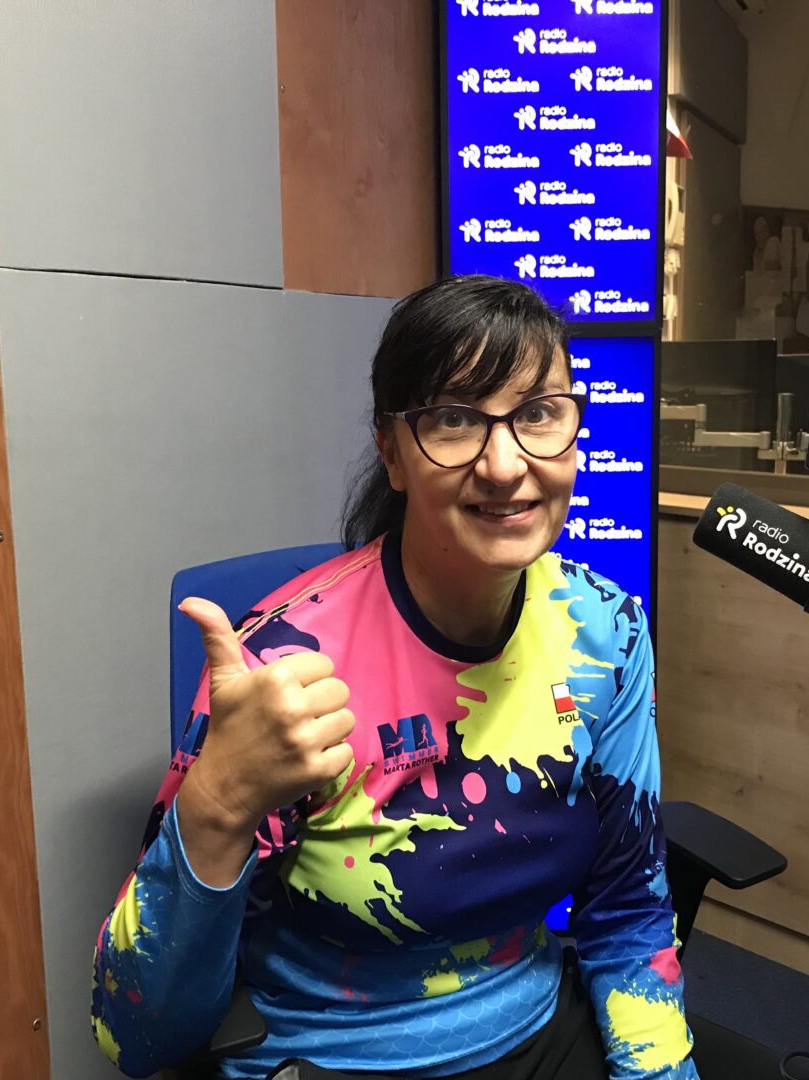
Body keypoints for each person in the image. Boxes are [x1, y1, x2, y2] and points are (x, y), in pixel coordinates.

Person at [91, 276, 698, 1080]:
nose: (505, 465)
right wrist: (219, 801)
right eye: (454, 420)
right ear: (392, 452)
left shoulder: (606, 634)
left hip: (538, 1030)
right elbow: (133, 1036)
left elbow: (626, 909)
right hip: (333, 1059)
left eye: (537, 414)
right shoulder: (282, 665)